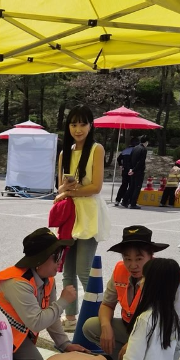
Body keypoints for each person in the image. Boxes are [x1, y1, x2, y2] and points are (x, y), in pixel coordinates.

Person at [0, 228, 90, 360]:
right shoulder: (17, 284)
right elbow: (36, 322)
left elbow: (52, 316)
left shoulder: (48, 279)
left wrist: (65, 344)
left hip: (12, 333)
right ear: (40, 260)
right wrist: (63, 302)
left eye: (61, 254)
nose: (61, 260)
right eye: (56, 256)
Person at [82, 225, 180, 360]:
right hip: (133, 328)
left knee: (152, 359)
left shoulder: (166, 275)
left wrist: (134, 343)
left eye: (139, 259)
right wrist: (106, 327)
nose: (132, 265)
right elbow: (107, 305)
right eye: (127, 258)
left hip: (166, 333)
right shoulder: (120, 270)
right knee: (91, 327)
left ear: (151, 256)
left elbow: (165, 322)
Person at [55, 105, 107, 333]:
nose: (78, 129)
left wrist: (70, 192)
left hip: (89, 215)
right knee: (67, 270)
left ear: (90, 125)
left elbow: (96, 187)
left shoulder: (97, 149)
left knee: (84, 269)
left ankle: (98, 319)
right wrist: (66, 188)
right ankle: (71, 318)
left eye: (82, 124)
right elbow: (59, 186)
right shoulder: (64, 153)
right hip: (69, 215)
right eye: (73, 124)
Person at [126, 135, 149, 209]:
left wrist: (131, 169)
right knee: (137, 187)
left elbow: (129, 159)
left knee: (131, 187)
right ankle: (133, 203)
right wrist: (134, 170)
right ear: (146, 142)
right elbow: (141, 162)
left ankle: (125, 201)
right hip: (138, 171)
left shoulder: (135, 148)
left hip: (132, 170)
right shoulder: (143, 149)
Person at [114, 136, 138, 206]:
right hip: (131, 171)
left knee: (124, 185)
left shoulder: (125, 150)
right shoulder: (135, 151)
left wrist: (121, 165)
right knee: (131, 186)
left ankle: (117, 200)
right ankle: (127, 200)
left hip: (124, 171)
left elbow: (118, 159)